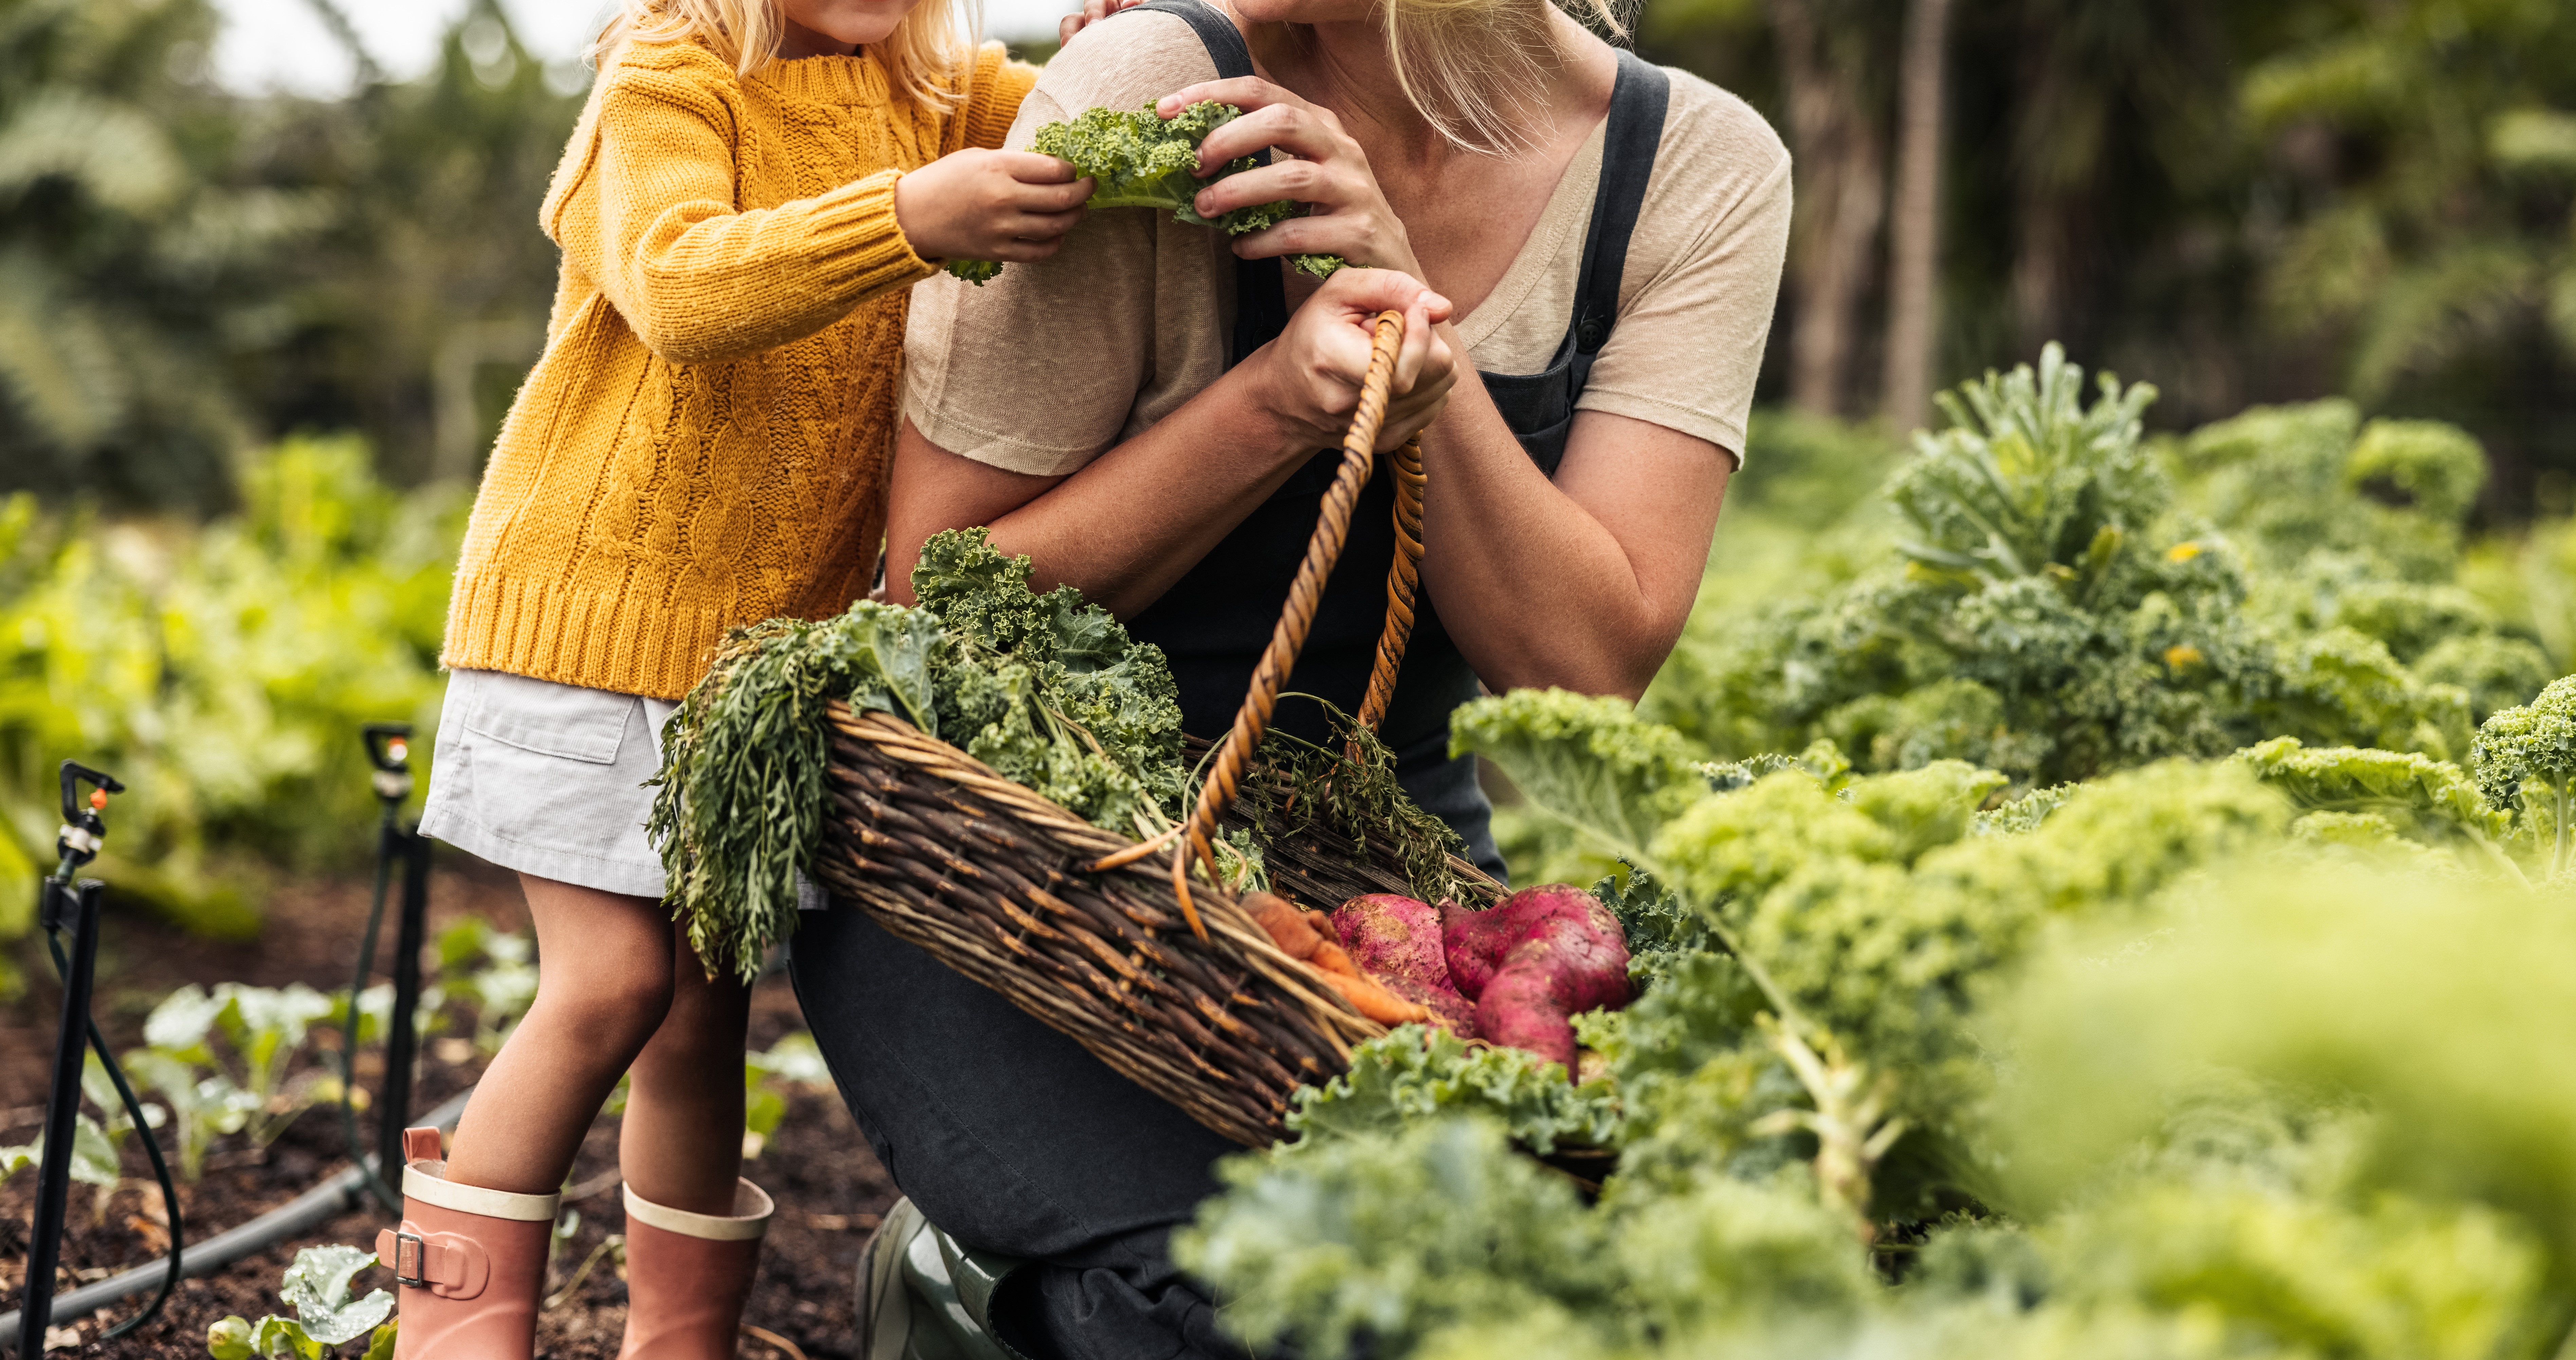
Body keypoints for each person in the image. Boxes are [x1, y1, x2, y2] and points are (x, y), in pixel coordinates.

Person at [789, 0, 1791, 1351]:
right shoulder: (1154, 89)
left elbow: (1580, 665)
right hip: (1016, 874)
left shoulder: (1688, 170)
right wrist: (1270, 405)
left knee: (1549, 1312)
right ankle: (967, 1289)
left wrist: (1401, 323)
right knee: (1245, 1314)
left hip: (1358, 890)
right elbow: (942, 601)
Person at [396, 0, 1106, 1353]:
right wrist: (905, 218)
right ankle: (450, 1334)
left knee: (702, 1011)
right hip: (591, 619)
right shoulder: (669, 72)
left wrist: (1132, 44)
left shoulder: (944, 97)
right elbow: (678, 284)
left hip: (755, 677)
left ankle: (679, 1343)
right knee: (610, 986)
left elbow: (1101, 121)